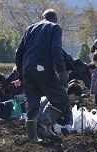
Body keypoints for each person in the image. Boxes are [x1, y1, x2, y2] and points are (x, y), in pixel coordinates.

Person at [15, 9, 69, 142]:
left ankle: (32, 139)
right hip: (43, 68)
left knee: (33, 104)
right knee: (61, 98)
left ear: (42, 17)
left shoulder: (29, 28)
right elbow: (56, 48)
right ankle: (45, 128)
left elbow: (18, 52)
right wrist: (61, 69)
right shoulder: (55, 28)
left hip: (27, 69)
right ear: (55, 20)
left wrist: (21, 74)